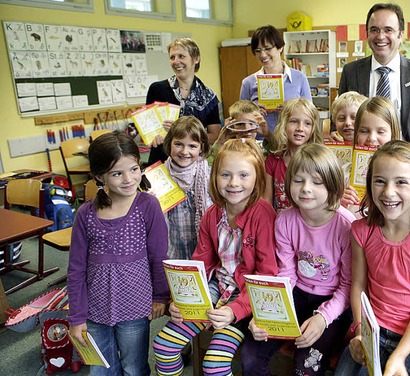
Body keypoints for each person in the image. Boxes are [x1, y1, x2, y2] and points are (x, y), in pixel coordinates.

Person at [153, 139, 279, 376]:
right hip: (215, 288)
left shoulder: (263, 214)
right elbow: (199, 263)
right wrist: (182, 302)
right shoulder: (212, 215)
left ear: (257, 179)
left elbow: (267, 275)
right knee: (163, 346)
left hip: (247, 299)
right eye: (225, 175)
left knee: (214, 365)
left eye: (243, 175)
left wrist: (234, 310)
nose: (233, 183)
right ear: (215, 177)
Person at [334, 140, 410, 376]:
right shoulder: (360, 231)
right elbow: (358, 286)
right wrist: (359, 332)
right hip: (369, 332)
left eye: (401, 182)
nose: (388, 192)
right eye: (380, 181)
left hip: (409, 340)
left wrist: (399, 356)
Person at [242, 143, 355, 375]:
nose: (306, 189)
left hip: (334, 303)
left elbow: (347, 286)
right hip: (295, 294)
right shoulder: (284, 220)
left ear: (333, 185)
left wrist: (323, 318)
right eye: (299, 180)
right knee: (250, 355)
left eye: (317, 182)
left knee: (306, 365)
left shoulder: (346, 226)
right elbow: (286, 274)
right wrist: (267, 313)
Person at [67, 131, 169, 375]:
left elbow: (159, 257)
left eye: (134, 169)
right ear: (99, 176)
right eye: (116, 173)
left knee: (134, 367)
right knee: (101, 370)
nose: (128, 179)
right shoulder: (85, 213)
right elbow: (76, 269)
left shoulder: (148, 206)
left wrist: (160, 297)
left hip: (135, 307)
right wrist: (76, 317)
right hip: (95, 309)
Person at [335, 3, 410, 147]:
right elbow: (339, 117)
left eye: (388, 30)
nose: (380, 36)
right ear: (367, 34)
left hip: (407, 163)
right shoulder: (351, 72)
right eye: (374, 30)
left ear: (400, 34)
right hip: (362, 160)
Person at [146, 37, 222, 165]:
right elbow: (148, 129)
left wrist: (181, 132)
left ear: (196, 58)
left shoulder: (209, 97)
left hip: (192, 165)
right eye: (172, 57)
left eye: (181, 56)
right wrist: (153, 137)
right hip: (161, 162)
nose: (176, 61)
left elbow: (214, 135)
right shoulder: (157, 89)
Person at [240, 25, 312, 134]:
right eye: (258, 51)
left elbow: (310, 114)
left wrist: (292, 108)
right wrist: (251, 113)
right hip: (260, 141)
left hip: (292, 140)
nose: (263, 55)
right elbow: (240, 119)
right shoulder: (248, 83)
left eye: (268, 48)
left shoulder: (299, 78)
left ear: (280, 47)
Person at [162, 115, 213, 260]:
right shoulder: (160, 177)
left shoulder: (209, 176)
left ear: (201, 148)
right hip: (172, 250)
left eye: (192, 146)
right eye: (178, 144)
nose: (185, 151)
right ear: (169, 143)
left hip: (203, 250)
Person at [341, 96, 403, 210]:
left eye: (381, 132)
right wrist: (339, 201)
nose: (372, 138)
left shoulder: (402, 175)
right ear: (356, 134)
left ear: (393, 135)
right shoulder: (344, 173)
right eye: (364, 131)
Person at [264, 98, 323, 213]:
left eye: (307, 123)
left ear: (313, 128)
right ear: (283, 124)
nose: (300, 128)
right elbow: (267, 201)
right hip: (281, 225)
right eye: (293, 121)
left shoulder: (319, 161)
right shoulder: (273, 160)